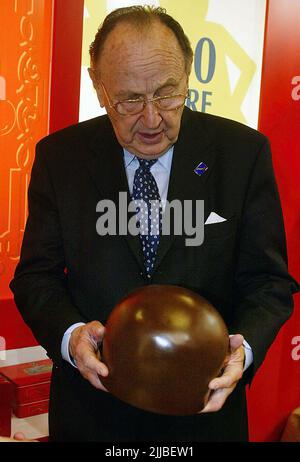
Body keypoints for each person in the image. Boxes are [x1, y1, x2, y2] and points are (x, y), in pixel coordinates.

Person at [10, 6, 298, 442]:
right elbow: (36, 278)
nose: (151, 119)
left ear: (187, 77)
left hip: (206, 416)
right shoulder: (60, 158)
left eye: (167, 94)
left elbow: (269, 283)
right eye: (128, 99)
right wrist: (71, 339)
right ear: (98, 85)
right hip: (92, 414)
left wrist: (243, 350)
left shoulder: (242, 153)